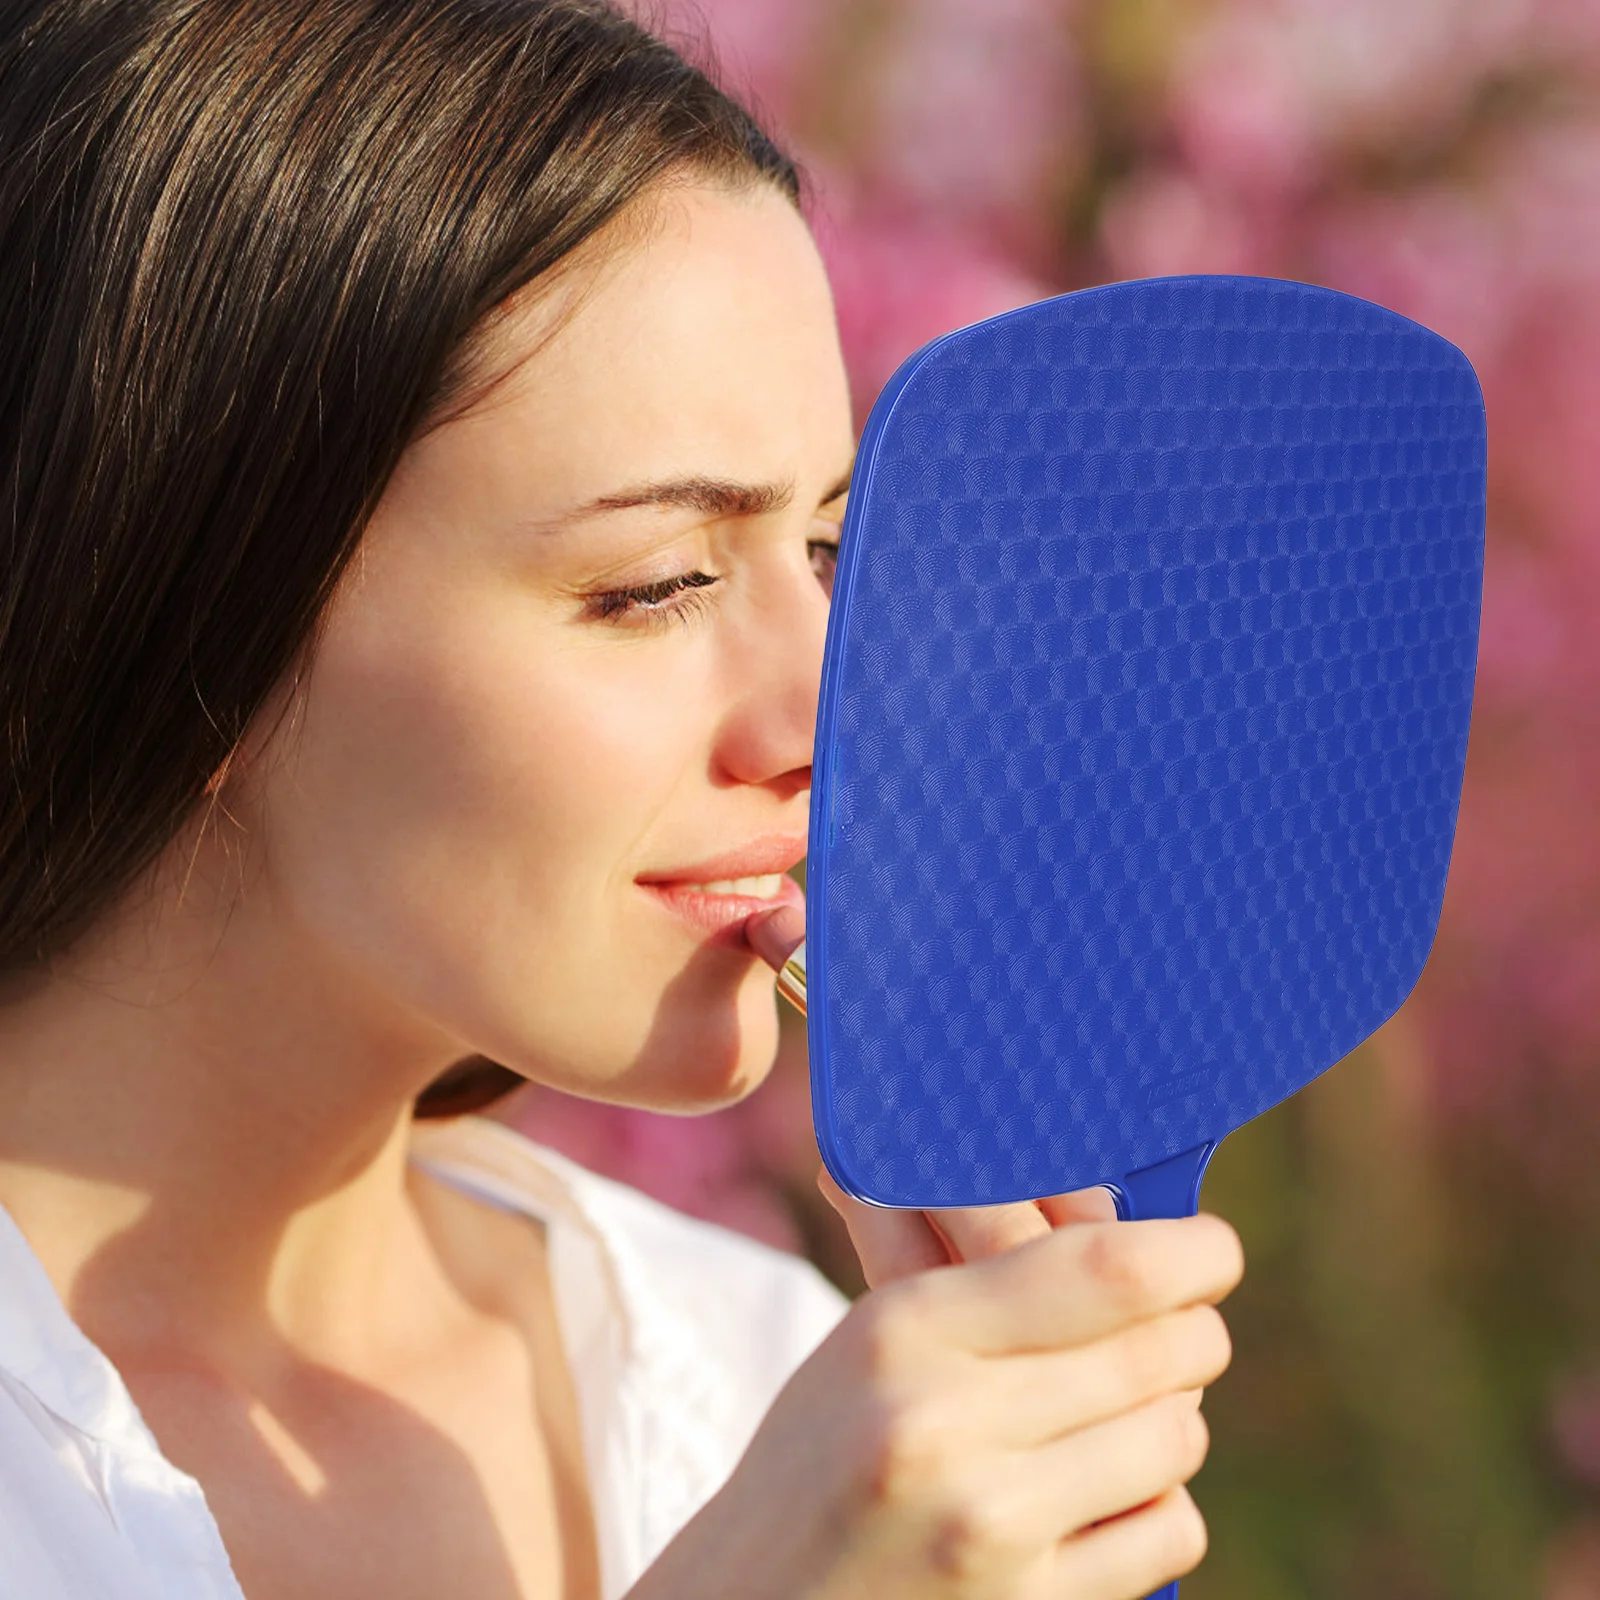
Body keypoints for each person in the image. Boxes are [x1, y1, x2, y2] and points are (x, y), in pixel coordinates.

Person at [0, 3, 1244, 1597]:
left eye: (827, 555)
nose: (836, 720)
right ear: (194, 612)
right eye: (654, 585)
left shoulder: (770, 1384)